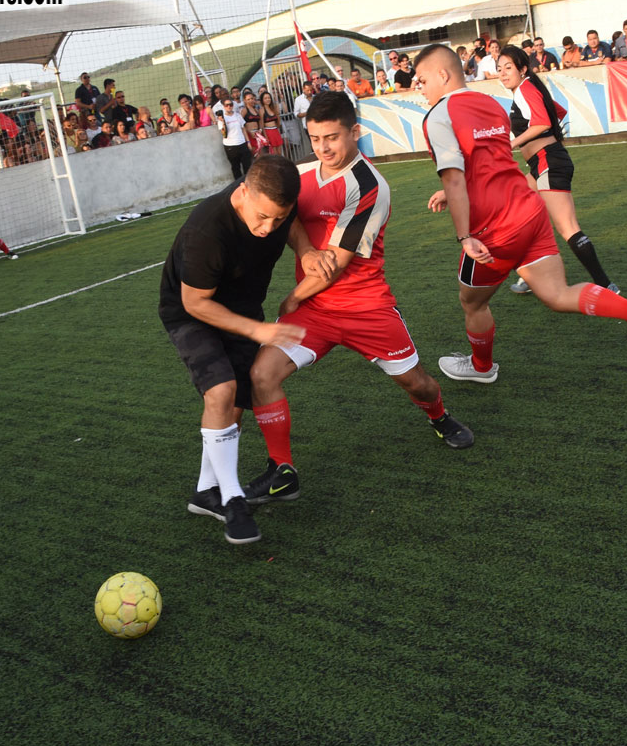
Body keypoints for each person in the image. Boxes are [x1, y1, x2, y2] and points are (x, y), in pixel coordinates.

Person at [242, 93, 474, 508]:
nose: (323, 148)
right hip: (316, 312)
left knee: (417, 384)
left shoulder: (370, 186)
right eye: (315, 138)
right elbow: (289, 217)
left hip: (366, 308)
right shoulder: (300, 172)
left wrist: (292, 298)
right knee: (261, 375)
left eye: (332, 137)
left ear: (354, 131)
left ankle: (438, 416)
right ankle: (282, 470)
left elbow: (336, 263)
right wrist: (305, 252)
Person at [411, 44, 627, 383]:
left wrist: (464, 236)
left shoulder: (437, 116)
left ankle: (482, 368)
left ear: (443, 75)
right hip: (529, 212)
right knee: (557, 294)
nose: (419, 88)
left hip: (495, 227)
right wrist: (451, 192)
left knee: (472, 303)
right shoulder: (490, 103)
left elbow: (455, 177)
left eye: (422, 80)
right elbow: (489, 164)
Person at [159, 155, 334, 544]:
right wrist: (257, 330)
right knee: (220, 391)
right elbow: (195, 302)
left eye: (277, 218)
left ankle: (205, 492)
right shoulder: (207, 229)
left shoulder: (278, 205)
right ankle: (232, 499)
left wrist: (306, 250)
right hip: (192, 312)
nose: (268, 227)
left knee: (234, 401)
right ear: (243, 193)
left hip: (243, 307)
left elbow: (292, 223)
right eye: (262, 216)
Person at [496, 45, 619, 298]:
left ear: (522, 69)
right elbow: (556, 113)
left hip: (548, 163)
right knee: (518, 211)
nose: (503, 73)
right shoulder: (528, 89)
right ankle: (532, 274)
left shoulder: (525, 88)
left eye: (508, 68)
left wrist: (512, 144)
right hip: (542, 164)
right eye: (499, 69)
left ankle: (607, 286)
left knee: (567, 227)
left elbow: (542, 122)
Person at [217, 103, 253, 178]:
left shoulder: (237, 115)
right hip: (230, 145)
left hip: (242, 142)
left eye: (230, 105)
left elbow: (243, 128)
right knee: (236, 167)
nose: (229, 106)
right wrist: (223, 122)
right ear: (224, 107)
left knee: (247, 165)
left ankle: (248, 182)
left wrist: (248, 141)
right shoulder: (221, 119)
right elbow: (224, 134)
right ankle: (238, 183)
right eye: (226, 105)